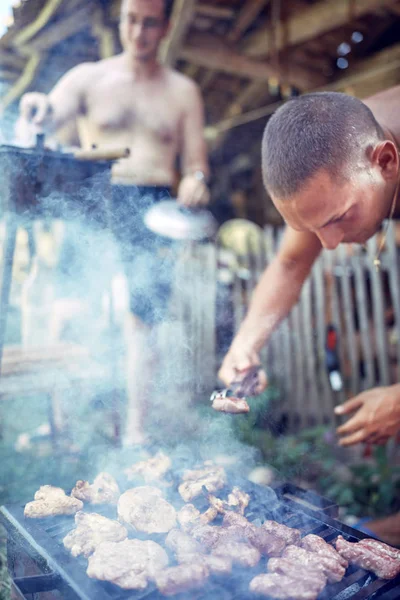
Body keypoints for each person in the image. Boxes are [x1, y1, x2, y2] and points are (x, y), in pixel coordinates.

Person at [17, 0, 210, 446]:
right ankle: (59, 423)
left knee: (143, 322)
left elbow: (197, 163)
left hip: (154, 203)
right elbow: (48, 111)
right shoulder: (89, 78)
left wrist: (196, 181)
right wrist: (36, 106)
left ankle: (136, 432)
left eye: (149, 23)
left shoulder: (183, 91)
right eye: (130, 20)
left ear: (164, 27)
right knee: (68, 308)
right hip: (95, 195)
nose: (138, 31)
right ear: (120, 20)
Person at [218, 87, 400, 543]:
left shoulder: (361, 148)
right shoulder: (339, 148)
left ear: (385, 160)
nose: (330, 245)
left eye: (339, 217)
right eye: (311, 228)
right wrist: (246, 344)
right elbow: (289, 263)